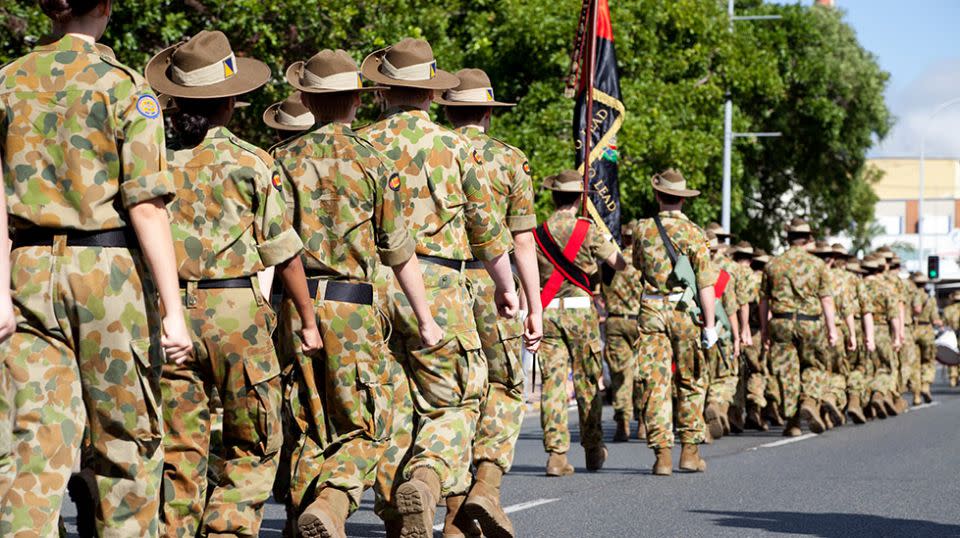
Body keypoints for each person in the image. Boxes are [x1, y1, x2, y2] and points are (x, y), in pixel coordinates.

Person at [0, 0, 193, 534]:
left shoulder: (7, 81)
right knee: (126, 443)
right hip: (108, 275)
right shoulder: (126, 87)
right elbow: (146, 204)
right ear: (105, 6)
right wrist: (173, 307)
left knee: (33, 446)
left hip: (27, 269)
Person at [144, 30, 322, 537]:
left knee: (179, 448)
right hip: (235, 315)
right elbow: (283, 254)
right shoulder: (251, 161)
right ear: (229, 102)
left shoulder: (150, 157)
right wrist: (306, 319)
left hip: (168, 312)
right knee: (255, 440)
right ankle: (226, 528)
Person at [267, 49, 442, 538]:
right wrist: (425, 318)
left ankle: (301, 516)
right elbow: (398, 249)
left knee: (306, 418)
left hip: (293, 303)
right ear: (358, 102)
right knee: (366, 424)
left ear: (304, 98)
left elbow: (273, 247)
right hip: (353, 306)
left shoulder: (279, 160)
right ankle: (332, 499)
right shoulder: (374, 159)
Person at [358, 38, 519, 536]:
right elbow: (487, 230)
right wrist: (507, 287)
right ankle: (427, 483)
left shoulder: (360, 143)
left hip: (370, 285)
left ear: (383, 92)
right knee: (455, 401)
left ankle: (393, 515)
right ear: (431, 95)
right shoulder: (455, 147)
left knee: (390, 404)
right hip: (441, 284)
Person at [439, 68, 543, 538]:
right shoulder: (510, 161)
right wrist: (532, 305)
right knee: (504, 386)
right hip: (492, 283)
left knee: (452, 395)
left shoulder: (432, 151)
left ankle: (453, 510)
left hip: (437, 285)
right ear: (487, 111)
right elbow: (523, 243)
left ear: (445, 108)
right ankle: (486, 486)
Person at [535, 170, 624, 477]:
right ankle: (592, 448)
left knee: (554, 384)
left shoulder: (538, 232)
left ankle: (557, 455)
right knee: (588, 382)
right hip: (580, 313)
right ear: (579, 198)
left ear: (553, 196)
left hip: (548, 311)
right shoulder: (587, 230)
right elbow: (619, 264)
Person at [634, 169, 716, 475]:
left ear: (657, 195)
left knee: (655, 382)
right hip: (684, 310)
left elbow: (638, 266)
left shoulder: (643, 229)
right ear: (683, 199)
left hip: (652, 309)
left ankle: (662, 456)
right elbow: (705, 283)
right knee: (691, 378)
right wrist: (709, 325)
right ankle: (690, 452)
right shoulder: (696, 233)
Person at [759, 219, 838, 437]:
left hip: (781, 321)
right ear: (809, 239)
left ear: (788, 239)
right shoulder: (817, 265)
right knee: (814, 365)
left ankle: (792, 422)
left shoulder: (773, 264)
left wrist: (765, 329)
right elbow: (827, 299)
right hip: (810, 322)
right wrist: (832, 329)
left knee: (787, 372)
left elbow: (763, 300)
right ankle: (810, 400)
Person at [599, 222, 644, 442]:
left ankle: (622, 421)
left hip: (615, 321)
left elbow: (599, 290)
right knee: (642, 372)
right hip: (640, 322)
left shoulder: (609, 264)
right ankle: (643, 419)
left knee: (620, 374)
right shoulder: (643, 262)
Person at [704, 229, 741, 438]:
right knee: (726, 376)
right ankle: (716, 404)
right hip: (719, 334)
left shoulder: (686, 272)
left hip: (693, 333)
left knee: (698, 380)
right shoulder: (723, 275)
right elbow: (731, 310)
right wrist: (736, 337)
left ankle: (700, 428)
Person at [861, 255, 901, 418]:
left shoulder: (858, 285)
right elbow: (893, 315)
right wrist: (897, 336)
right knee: (885, 367)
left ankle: (866, 405)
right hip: (882, 330)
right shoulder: (886, 287)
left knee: (866, 368)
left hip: (860, 329)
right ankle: (878, 394)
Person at [910, 273, 940, 403]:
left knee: (915, 365)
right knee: (928, 361)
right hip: (926, 331)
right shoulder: (930, 299)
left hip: (912, 331)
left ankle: (916, 396)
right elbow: (936, 319)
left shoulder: (909, 296)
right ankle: (925, 386)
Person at [941, 291, 960, 388]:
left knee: (952, 355)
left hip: (951, 334)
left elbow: (943, 324)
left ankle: (953, 377)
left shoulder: (947, 310)